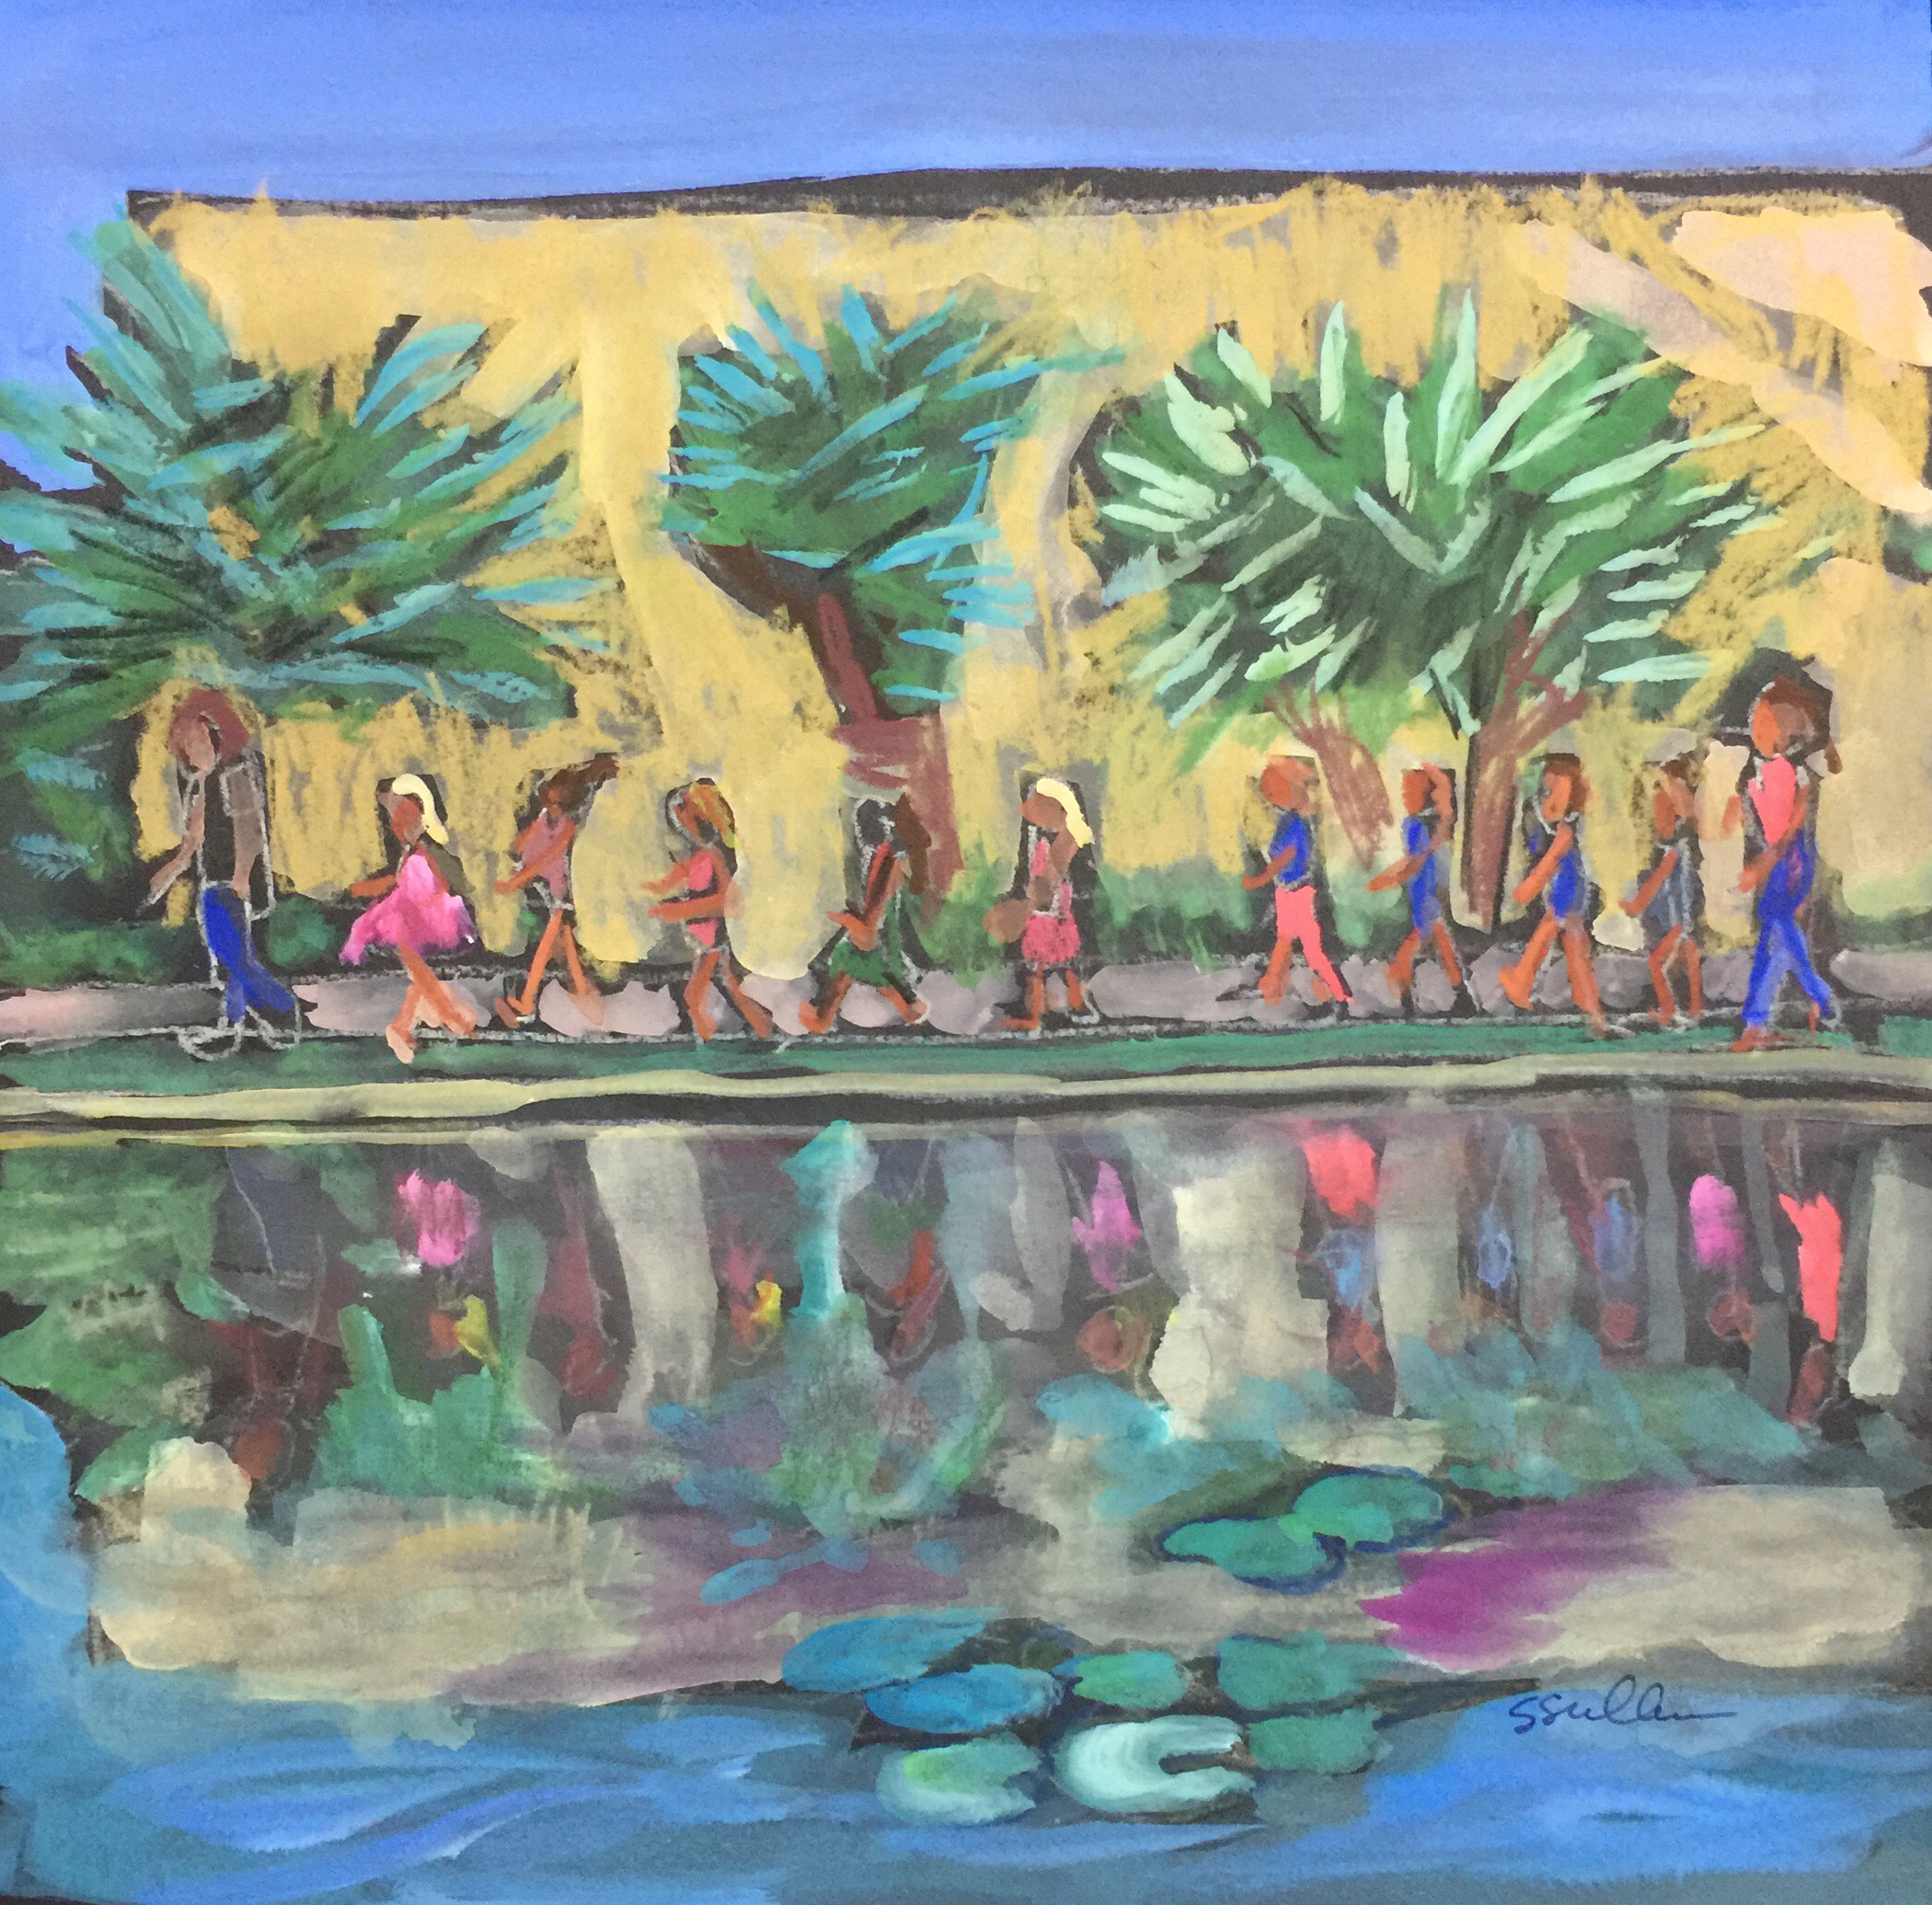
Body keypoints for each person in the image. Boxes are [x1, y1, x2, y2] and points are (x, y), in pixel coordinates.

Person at [146, 687, 299, 1058]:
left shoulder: (236, 772)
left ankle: (281, 1010)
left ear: (215, 736)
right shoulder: (198, 786)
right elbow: (193, 841)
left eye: (199, 738)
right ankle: (234, 1028)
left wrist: (242, 875)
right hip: (211, 882)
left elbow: (249, 829)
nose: (194, 747)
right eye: (187, 742)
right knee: (232, 961)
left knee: (235, 959)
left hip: (232, 883)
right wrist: (167, 874)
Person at [1728, 675, 1839, 1053]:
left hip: (1791, 861)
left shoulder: (1799, 773)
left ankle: (1811, 999)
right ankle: (1770, 1018)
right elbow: (1751, 823)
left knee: (1778, 930)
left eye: (1765, 722)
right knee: (1776, 941)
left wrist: (1768, 861)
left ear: (1787, 731)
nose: (1756, 729)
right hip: (1771, 860)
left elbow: (1794, 826)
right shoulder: (1750, 773)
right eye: (1754, 721)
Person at [340, 773, 481, 1064]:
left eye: (405, 815)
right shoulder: (408, 853)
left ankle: (421, 1018)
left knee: (407, 941)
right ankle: (419, 1019)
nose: (399, 825)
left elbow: (448, 881)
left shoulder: (431, 848)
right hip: (409, 913)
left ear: (423, 812)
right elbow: (397, 883)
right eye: (395, 819)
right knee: (406, 941)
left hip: (435, 911)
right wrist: (360, 889)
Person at [642, 779, 775, 1042]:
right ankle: (729, 1034)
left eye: (688, 815)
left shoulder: (716, 855)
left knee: (714, 988)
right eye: (679, 817)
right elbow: (666, 884)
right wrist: (653, 894)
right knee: (714, 989)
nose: (683, 824)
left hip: (716, 933)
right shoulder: (694, 857)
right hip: (702, 933)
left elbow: (730, 901)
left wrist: (682, 910)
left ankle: (755, 1032)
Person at [492, 753, 618, 1029]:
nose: (551, 804)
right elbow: (520, 845)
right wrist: (515, 861)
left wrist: (516, 881)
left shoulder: (567, 827)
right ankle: (584, 1000)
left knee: (546, 951)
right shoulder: (543, 819)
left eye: (557, 800)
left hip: (563, 895)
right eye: (548, 798)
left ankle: (528, 1003)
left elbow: (548, 857)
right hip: (546, 892)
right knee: (565, 953)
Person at [1498, 753, 1608, 1037]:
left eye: (1554, 790)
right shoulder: (1567, 820)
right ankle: (1592, 1011)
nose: (1547, 797)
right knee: (1574, 947)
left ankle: (1522, 982)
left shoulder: (1566, 826)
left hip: (1567, 888)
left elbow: (1554, 856)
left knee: (1552, 931)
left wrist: (1528, 889)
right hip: (1570, 887)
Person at [799, 796, 930, 1033]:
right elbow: (870, 927)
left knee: (859, 953)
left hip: (874, 940)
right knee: (859, 955)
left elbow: (870, 928)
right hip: (875, 942)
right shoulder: (884, 859)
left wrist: (842, 919)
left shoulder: (887, 861)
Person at [986, 775, 1098, 1033]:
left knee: (1044, 969)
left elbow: (1049, 881)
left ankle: (1055, 1011)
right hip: (1050, 911)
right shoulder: (1048, 839)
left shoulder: (1059, 841)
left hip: (1047, 912)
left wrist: (1033, 902)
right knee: (1054, 968)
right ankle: (1067, 1008)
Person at [1242, 756, 1351, 1013]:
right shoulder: (1290, 820)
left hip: (1297, 892)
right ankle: (1272, 987)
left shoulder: (1294, 823)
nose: (1268, 797)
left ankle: (1338, 995)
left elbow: (1286, 857)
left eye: (1272, 790)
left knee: (1310, 950)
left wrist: (1260, 879)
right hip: (1288, 891)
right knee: (1285, 941)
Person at [1367, 763, 1470, 1016]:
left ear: (1423, 795)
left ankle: (1406, 1000)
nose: (1404, 797)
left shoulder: (1414, 825)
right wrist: (1388, 876)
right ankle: (1462, 998)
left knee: (1410, 952)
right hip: (1427, 893)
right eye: (1404, 792)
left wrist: (1389, 880)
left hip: (1424, 896)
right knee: (1443, 946)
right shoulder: (1428, 823)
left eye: (1408, 792)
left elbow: (1414, 862)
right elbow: (1414, 859)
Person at [1621, 740, 1705, 1028]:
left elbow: (1660, 879)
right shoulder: (1670, 843)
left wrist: (1636, 904)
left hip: (1677, 916)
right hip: (1675, 915)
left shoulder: (1674, 846)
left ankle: (1674, 1010)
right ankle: (1691, 1011)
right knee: (1683, 955)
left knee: (1659, 962)